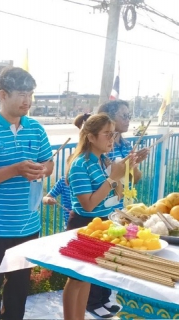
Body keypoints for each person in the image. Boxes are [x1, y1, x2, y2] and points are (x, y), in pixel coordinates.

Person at [0, 67, 54, 320]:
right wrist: (16, 170)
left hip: (27, 224)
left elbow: (48, 163)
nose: (27, 101)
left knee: (19, 287)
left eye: (30, 94)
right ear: (2, 95)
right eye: (21, 94)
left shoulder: (36, 129)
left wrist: (41, 170)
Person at [63, 113, 135, 320]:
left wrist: (123, 170)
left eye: (113, 134)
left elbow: (118, 194)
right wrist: (112, 179)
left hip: (102, 224)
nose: (111, 139)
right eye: (107, 134)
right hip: (84, 224)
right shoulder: (80, 164)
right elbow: (88, 204)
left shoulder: (103, 160)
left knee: (88, 276)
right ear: (91, 137)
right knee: (76, 278)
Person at [98, 100, 149, 184]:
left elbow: (133, 180)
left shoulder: (126, 145)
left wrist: (133, 164)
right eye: (124, 116)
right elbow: (102, 182)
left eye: (129, 116)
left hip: (125, 196)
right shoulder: (104, 147)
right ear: (109, 117)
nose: (128, 120)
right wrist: (122, 167)